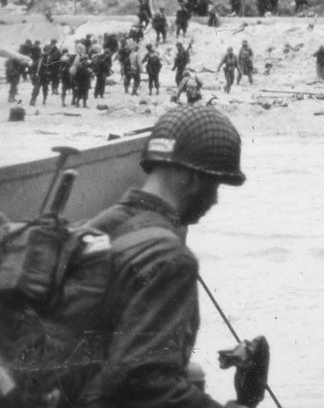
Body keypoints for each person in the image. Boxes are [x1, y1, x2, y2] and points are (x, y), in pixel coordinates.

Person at [43, 105, 254, 407]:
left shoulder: (99, 224)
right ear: (194, 177)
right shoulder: (170, 259)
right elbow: (146, 383)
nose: (216, 199)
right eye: (216, 184)